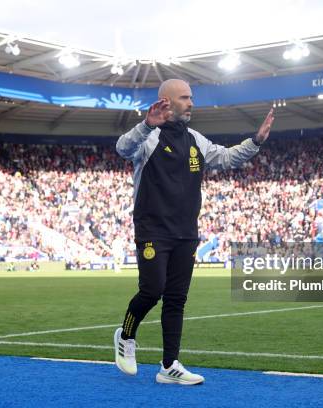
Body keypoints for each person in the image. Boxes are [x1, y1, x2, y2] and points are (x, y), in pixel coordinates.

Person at [113, 79, 274, 385]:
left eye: (191, 97)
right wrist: (146, 124)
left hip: (186, 231)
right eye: (185, 98)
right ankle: (126, 335)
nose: (191, 103)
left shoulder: (195, 139)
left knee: (176, 299)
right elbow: (122, 148)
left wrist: (256, 141)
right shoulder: (148, 138)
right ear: (166, 101)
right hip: (153, 229)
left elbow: (226, 158)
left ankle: (169, 365)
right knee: (152, 290)